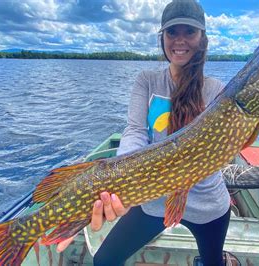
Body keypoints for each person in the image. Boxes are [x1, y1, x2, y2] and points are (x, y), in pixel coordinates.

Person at [58, 0, 230, 265]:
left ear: (202, 39)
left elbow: (223, 147)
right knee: (104, 260)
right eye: (173, 32)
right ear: (162, 38)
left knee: (212, 263)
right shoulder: (147, 80)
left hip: (208, 203)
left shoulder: (216, 89)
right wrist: (119, 186)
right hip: (152, 198)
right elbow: (135, 131)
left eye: (190, 32)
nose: (180, 40)